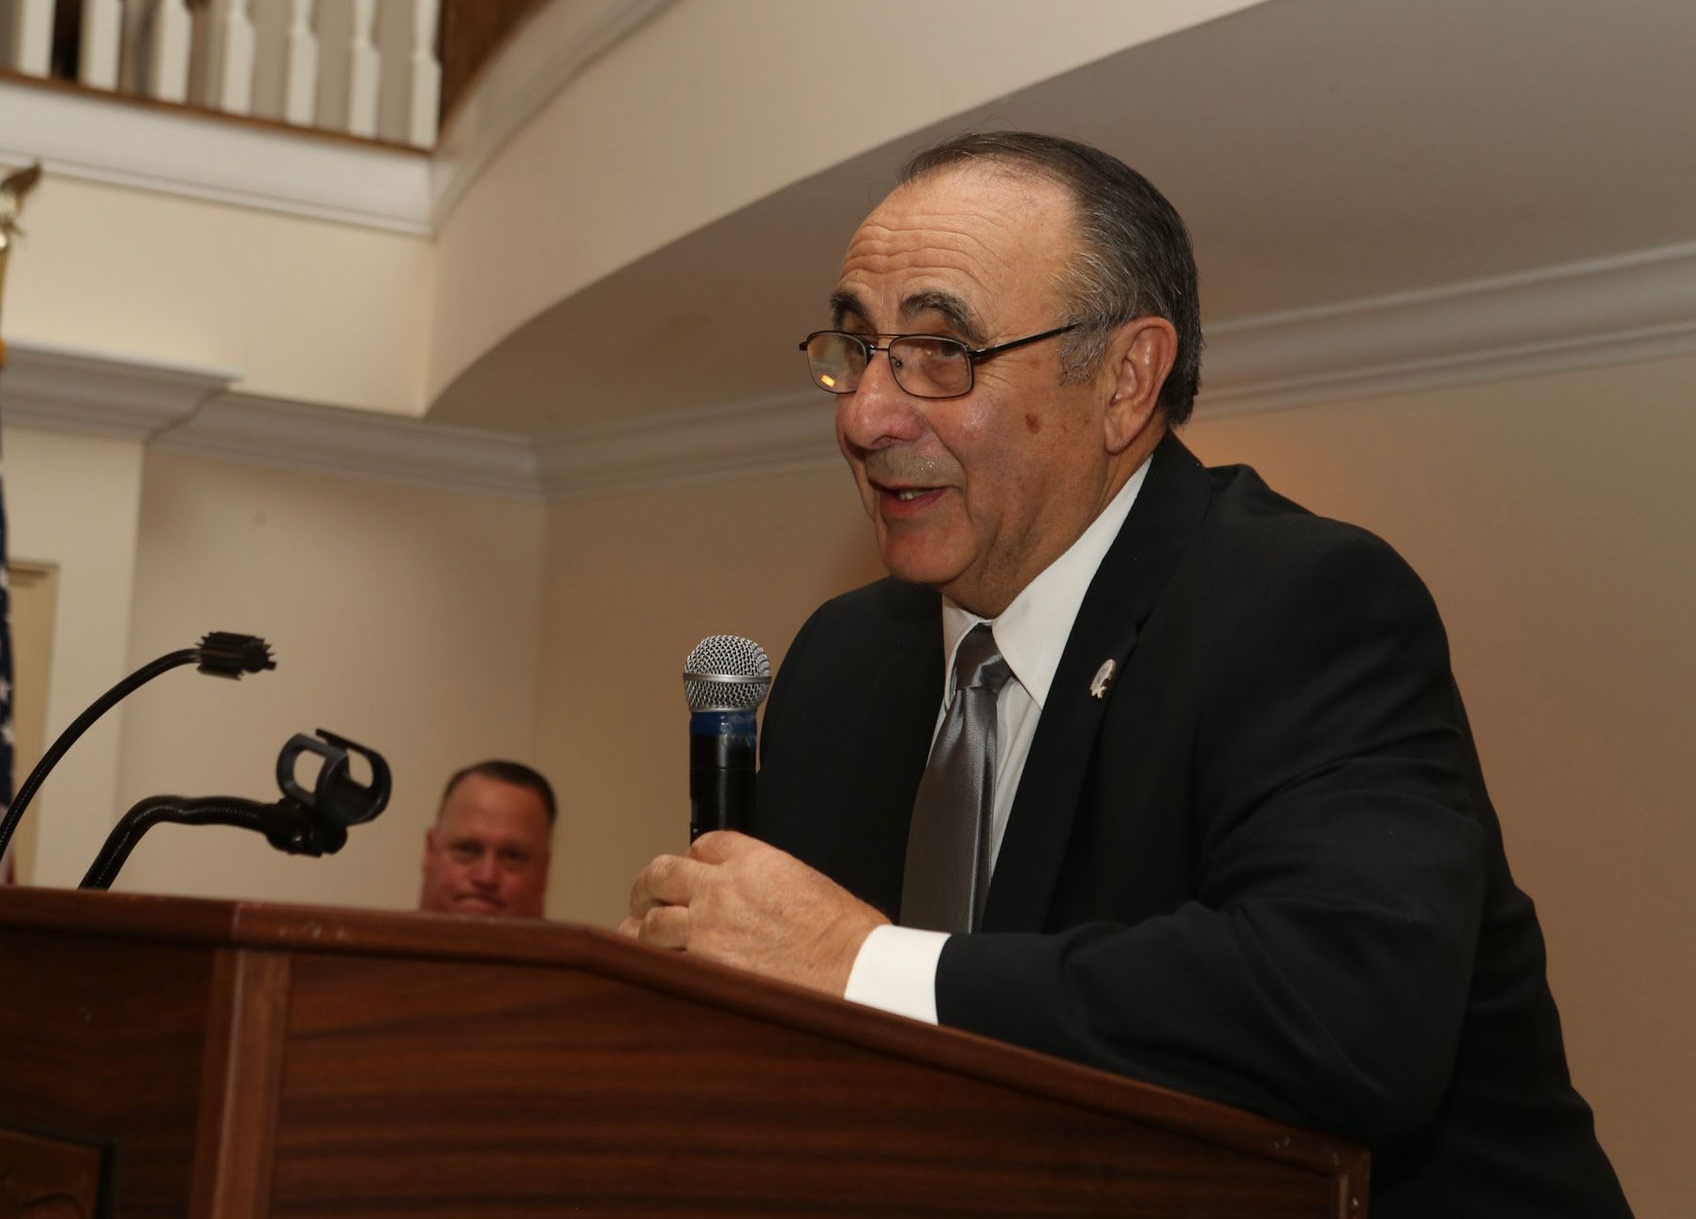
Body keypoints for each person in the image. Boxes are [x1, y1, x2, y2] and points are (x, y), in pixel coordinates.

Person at [622, 132, 1628, 1214]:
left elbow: (1350, 1012)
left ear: (1125, 379)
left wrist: (858, 961)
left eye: (941, 351)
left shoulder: (1303, 604)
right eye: (858, 346)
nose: (865, 414)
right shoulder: (843, 662)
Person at [420, 759, 555, 918]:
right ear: (430, 851)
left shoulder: (588, 941)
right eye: (467, 849)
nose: (487, 877)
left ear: (544, 872)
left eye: (513, 856)